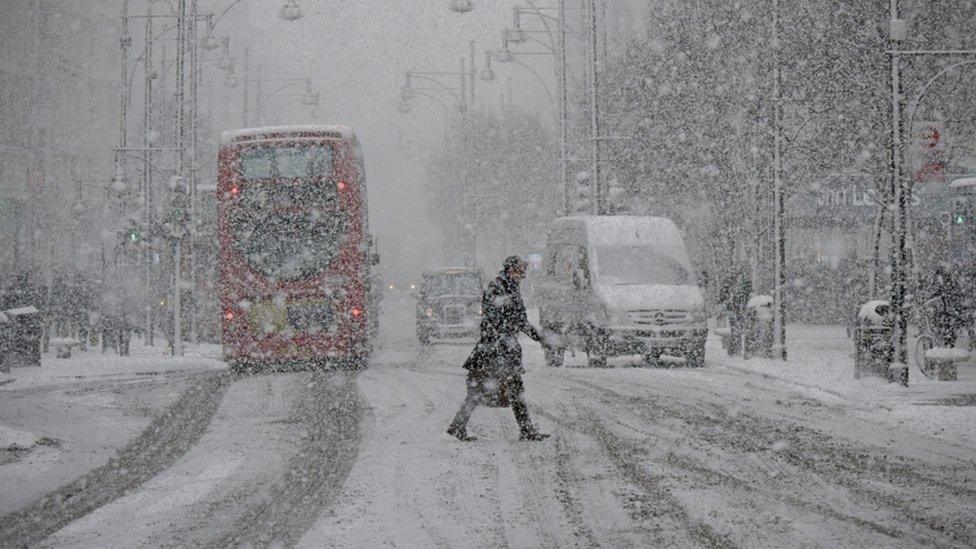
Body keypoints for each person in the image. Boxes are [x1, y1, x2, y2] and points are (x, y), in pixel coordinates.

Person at [447, 256, 551, 442]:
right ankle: (459, 426)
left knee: (507, 389)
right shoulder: (497, 288)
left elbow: (521, 321)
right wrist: (502, 339)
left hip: (502, 350)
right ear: (510, 270)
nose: (522, 276)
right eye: (520, 272)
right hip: (494, 351)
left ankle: (458, 426)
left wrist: (539, 337)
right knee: (485, 390)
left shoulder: (512, 289)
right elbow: (492, 320)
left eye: (523, 273)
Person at [718, 265, 752, 355]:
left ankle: (735, 348)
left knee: (737, 328)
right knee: (736, 328)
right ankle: (735, 348)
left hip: (736, 309)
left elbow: (722, 296)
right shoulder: (734, 284)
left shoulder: (733, 284)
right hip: (735, 309)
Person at [928, 264, 965, 347]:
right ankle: (947, 342)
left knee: (944, 323)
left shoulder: (942, 278)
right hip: (946, 307)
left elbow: (937, 290)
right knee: (946, 324)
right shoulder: (947, 278)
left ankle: (947, 342)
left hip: (945, 307)